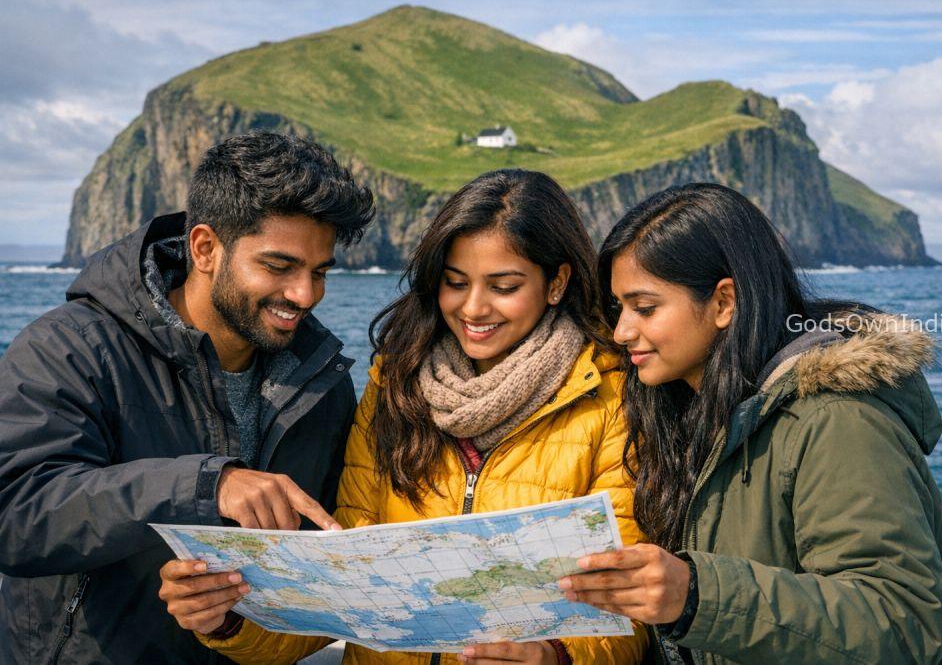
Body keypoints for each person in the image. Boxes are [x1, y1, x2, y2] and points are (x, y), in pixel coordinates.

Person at [158, 169, 649, 664]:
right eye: (455, 283)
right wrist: (227, 618)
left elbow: (627, 615)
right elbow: (337, 601)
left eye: (503, 286)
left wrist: (557, 659)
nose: (473, 308)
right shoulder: (393, 388)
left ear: (557, 282)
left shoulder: (613, 400)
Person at [556, 183, 942, 664]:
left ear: (724, 303)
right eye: (618, 308)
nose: (621, 331)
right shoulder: (686, 415)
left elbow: (904, 622)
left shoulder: (839, 418)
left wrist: (697, 597)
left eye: (645, 308)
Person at [0, 131, 375, 664]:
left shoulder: (323, 381)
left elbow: (326, 549)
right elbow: (15, 515)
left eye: (318, 272)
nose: (305, 295)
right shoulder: (68, 347)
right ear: (204, 248)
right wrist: (204, 486)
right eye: (279, 266)